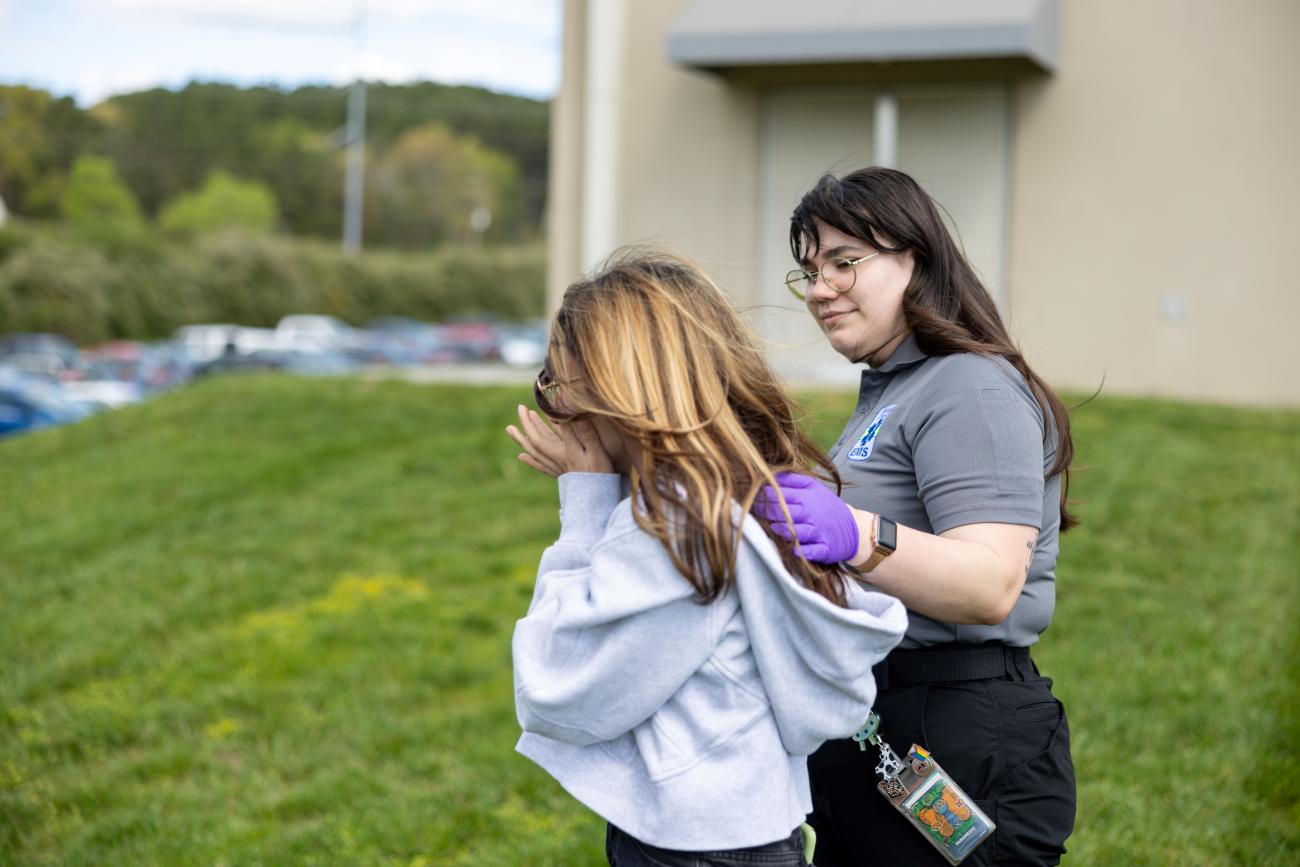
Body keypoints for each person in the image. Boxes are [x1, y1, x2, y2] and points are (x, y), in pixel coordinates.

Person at [505, 248, 907, 867]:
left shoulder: (678, 524)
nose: (559, 414)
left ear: (620, 387)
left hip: (692, 848)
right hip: (746, 832)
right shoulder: (732, 495)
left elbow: (559, 689)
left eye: (559, 386)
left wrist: (584, 501)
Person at [752, 167, 1078, 866]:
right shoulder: (892, 389)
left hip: (960, 726)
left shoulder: (969, 383)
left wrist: (855, 534)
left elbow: (992, 585)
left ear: (916, 257)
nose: (819, 289)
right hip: (879, 721)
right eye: (808, 271)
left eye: (845, 261)